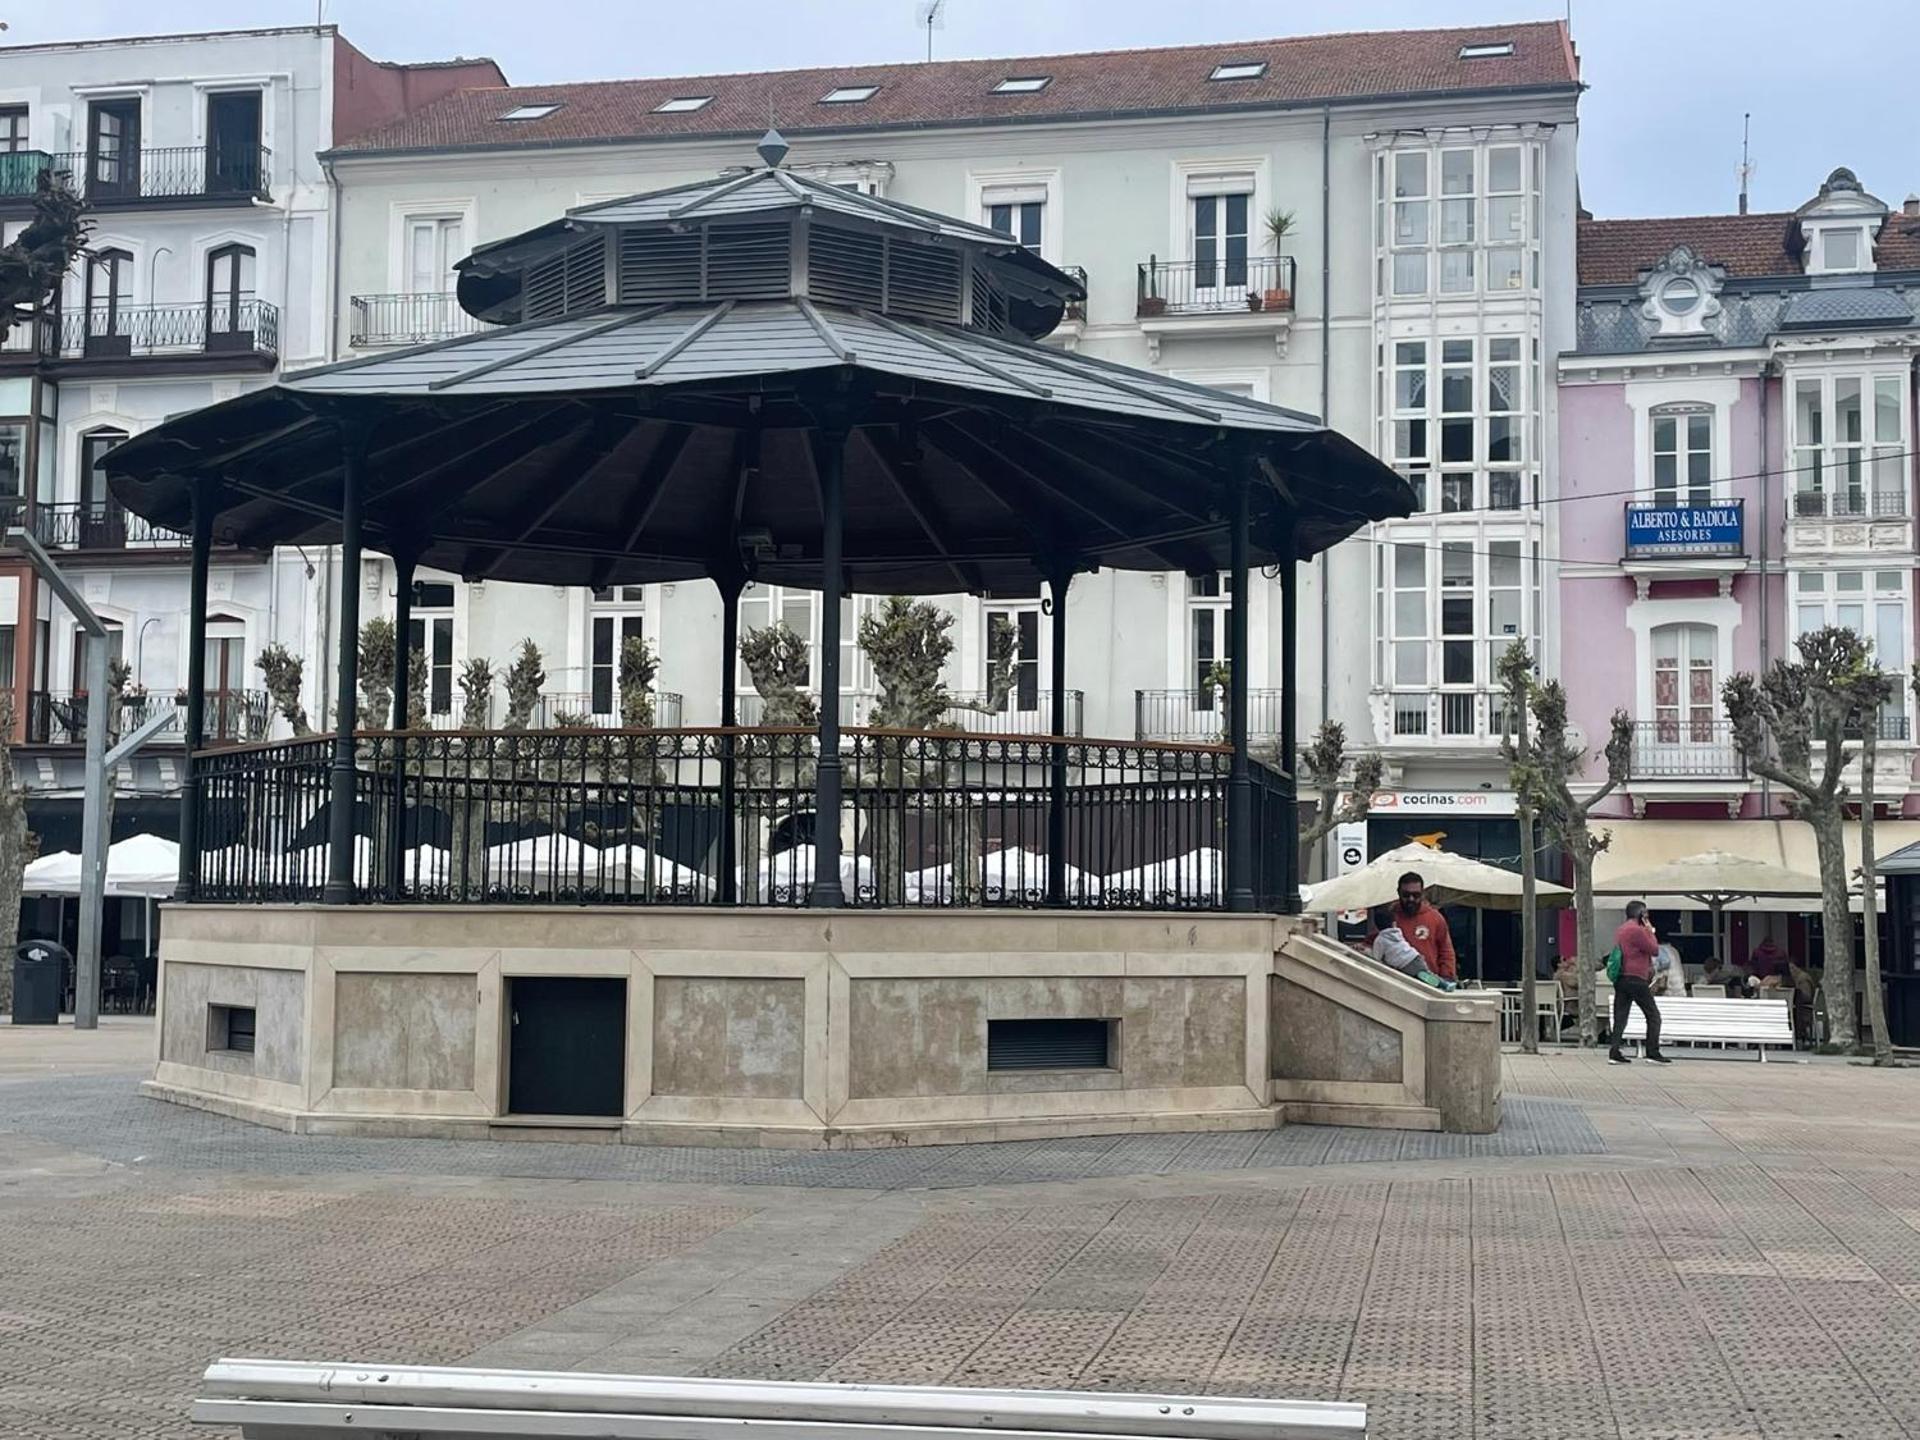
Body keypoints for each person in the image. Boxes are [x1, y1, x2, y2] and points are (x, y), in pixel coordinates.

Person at [1610, 901, 1670, 1065]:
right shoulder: (1637, 930)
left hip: (1622, 977)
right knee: (1653, 1016)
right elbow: (1654, 949)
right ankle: (1653, 1052)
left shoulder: (1621, 929)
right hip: (1636, 978)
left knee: (1620, 1016)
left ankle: (1614, 1052)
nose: (1648, 917)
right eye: (1646, 914)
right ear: (1641, 914)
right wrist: (1650, 931)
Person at [1367, 905, 1458, 990]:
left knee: (1422, 978)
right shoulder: (1397, 931)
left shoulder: (1380, 940)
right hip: (1415, 956)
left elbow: (1376, 958)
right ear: (1394, 923)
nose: (1411, 898)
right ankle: (1444, 984)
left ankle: (1440, 985)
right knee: (1427, 975)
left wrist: (1368, 953)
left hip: (1405, 964)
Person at [1388, 871, 1458, 981]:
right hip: (1396, 981)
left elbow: (1446, 951)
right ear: (1398, 893)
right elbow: (1376, 943)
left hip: (1429, 982)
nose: (1411, 899)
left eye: (1416, 895)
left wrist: (1447, 976)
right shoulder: (1389, 916)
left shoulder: (1435, 917)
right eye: (1406, 895)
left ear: (1422, 893)